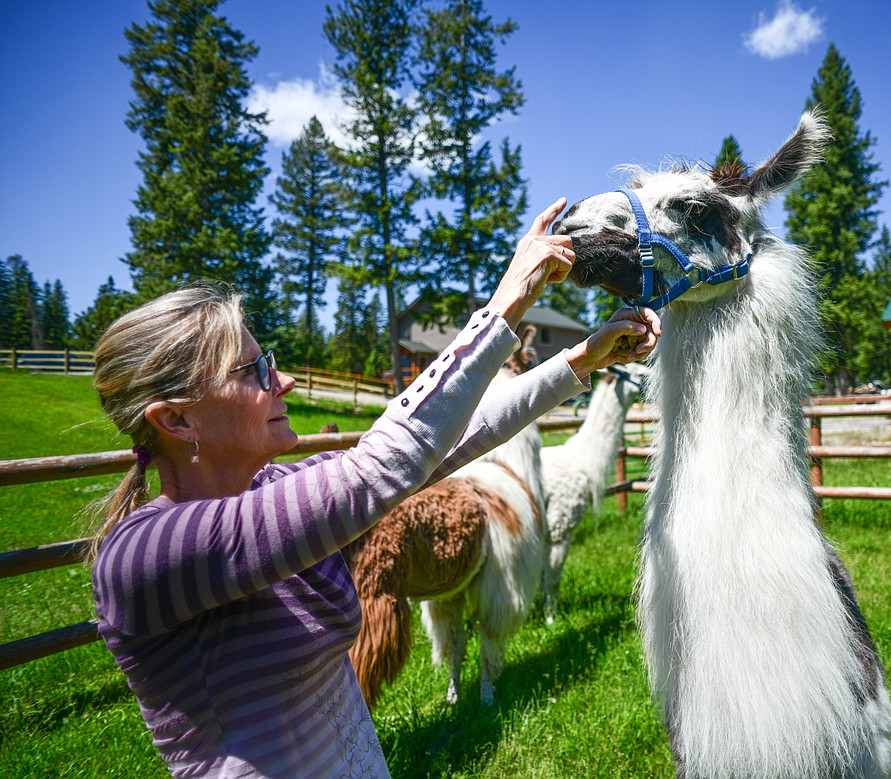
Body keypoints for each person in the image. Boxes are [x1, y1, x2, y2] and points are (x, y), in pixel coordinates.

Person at [88, 198, 661, 778]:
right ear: (177, 421)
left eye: (273, 364)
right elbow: (382, 467)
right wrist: (506, 302)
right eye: (254, 373)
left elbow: (446, 445)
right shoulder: (141, 557)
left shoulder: (276, 490)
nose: (282, 381)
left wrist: (582, 358)